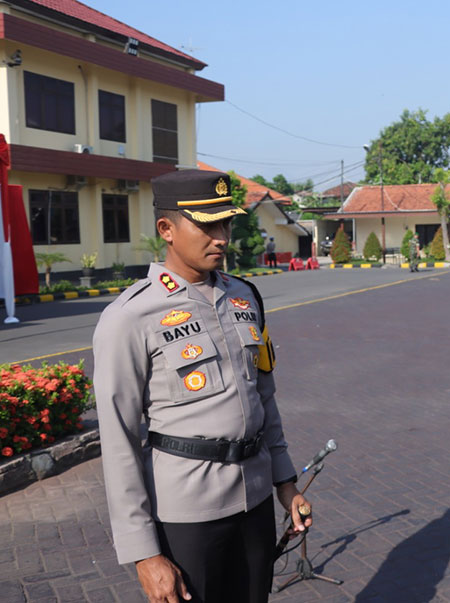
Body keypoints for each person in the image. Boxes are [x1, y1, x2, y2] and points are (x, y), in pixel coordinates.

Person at [93, 170, 312, 603]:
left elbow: (263, 399)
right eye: (207, 225)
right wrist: (144, 554)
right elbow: (118, 440)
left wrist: (285, 483)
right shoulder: (130, 317)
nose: (222, 237)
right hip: (187, 512)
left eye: (226, 223)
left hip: (253, 502)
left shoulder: (244, 297)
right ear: (167, 229)